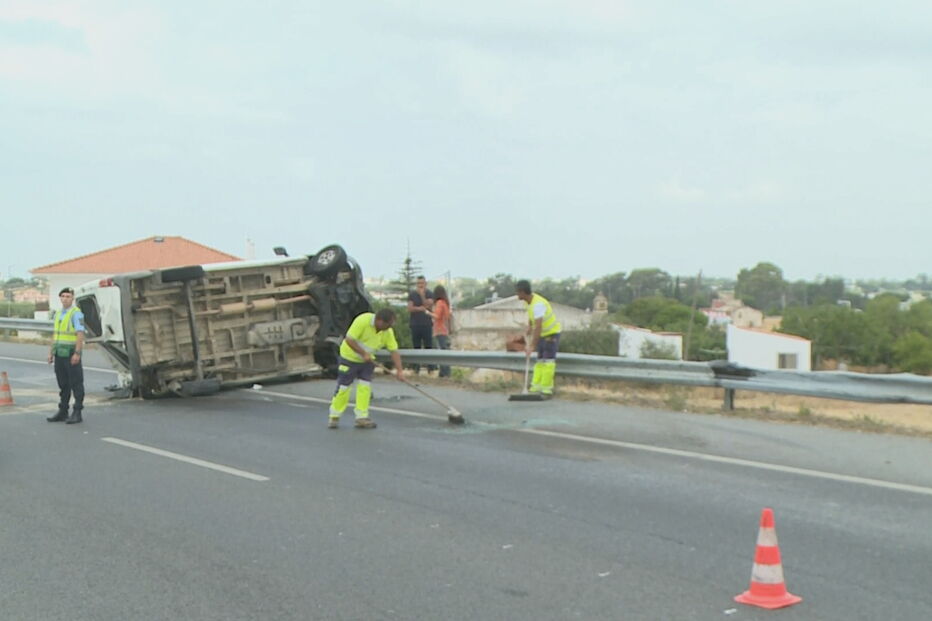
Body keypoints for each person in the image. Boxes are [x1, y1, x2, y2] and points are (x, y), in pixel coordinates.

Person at [328, 308, 403, 429]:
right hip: (349, 358)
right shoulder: (363, 321)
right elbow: (349, 339)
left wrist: (399, 371)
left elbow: (393, 350)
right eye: (388, 325)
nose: (389, 328)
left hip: (367, 362)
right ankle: (334, 416)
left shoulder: (387, 331)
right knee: (344, 388)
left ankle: (361, 417)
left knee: (365, 388)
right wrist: (363, 353)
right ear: (380, 321)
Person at [515, 280, 562, 396]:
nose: (517, 295)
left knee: (548, 361)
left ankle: (546, 389)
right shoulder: (528, 302)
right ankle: (536, 386)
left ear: (523, 292)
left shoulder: (538, 304)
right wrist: (529, 326)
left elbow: (539, 326)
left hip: (551, 334)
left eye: (518, 292)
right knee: (540, 361)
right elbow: (532, 317)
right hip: (542, 334)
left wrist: (532, 346)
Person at [46, 287, 86, 424]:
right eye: (62, 296)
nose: (65, 299)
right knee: (63, 384)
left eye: (68, 296)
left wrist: (77, 353)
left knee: (76, 383)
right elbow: (55, 334)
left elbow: (80, 334)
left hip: (70, 353)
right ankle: (63, 411)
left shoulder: (76, 314)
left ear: (72, 298)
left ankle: (77, 412)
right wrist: (51, 352)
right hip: (59, 353)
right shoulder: (58, 313)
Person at [407, 275, 434, 374]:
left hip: (427, 324)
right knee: (416, 347)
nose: (420, 285)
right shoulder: (412, 294)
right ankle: (416, 368)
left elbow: (428, 305)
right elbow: (410, 308)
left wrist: (422, 295)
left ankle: (430, 369)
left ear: (425, 284)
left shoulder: (429, 293)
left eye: (422, 283)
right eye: (418, 283)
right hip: (415, 324)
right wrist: (421, 308)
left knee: (428, 346)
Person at [429, 284, 452, 378]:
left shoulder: (439, 303)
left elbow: (437, 316)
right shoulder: (445, 303)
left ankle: (443, 373)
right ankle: (446, 372)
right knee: (445, 352)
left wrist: (428, 313)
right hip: (445, 330)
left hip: (439, 330)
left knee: (441, 352)